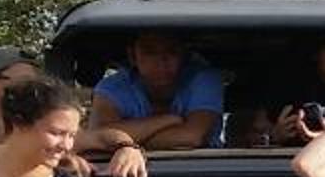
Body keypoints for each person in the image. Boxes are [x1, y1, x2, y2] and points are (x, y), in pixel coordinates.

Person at [0, 46, 145, 177]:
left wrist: (127, 148)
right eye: (26, 82)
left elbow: (102, 136)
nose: (34, 91)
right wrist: (49, 155)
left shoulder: (42, 136)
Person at [86, 29, 226, 152]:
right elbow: (96, 137)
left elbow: (191, 137)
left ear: (183, 56)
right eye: (150, 52)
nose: (162, 61)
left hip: (202, 169)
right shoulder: (112, 87)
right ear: (133, 56)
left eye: (172, 51)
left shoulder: (203, 80)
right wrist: (168, 120)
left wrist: (119, 142)